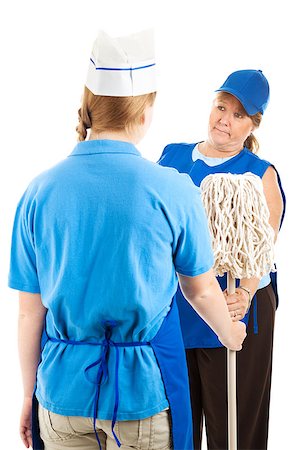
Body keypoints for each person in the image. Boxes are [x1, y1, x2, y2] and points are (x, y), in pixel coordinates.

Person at [8, 31, 246, 450]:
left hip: (61, 399)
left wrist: (28, 394)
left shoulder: (38, 193)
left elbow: (31, 314)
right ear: (144, 111)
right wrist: (229, 332)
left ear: (90, 106)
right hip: (143, 400)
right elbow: (201, 289)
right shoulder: (173, 190)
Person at [158, 69, 285, 450]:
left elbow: (263, 248)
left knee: (233, 429)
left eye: (238, 115)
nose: (224, 121)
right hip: (178, 309)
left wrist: (244, 294)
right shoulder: (171, 157)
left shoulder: (259, 175)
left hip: (235, 308)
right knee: (177, 426)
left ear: (253, 124)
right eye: (221, 107)